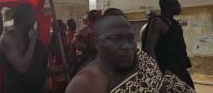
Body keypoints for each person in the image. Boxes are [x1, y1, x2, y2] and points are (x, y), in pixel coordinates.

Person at [66, 15, 195, 93]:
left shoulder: (141, 59)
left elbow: (160, 85)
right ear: (96, 42)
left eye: (130, 38)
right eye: (116, 39)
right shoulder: (83, 85)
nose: (128, 46)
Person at [142, 0, 194, 88]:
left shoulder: (174, 23)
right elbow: (150, 49)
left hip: (179, 69)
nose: (179, 6)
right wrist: (159, 72)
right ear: (166, 6)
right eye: (176, 3)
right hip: (167, 71)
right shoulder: (158, 22)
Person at [0, 4, 48, 93]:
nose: (35, 20)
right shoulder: (8, 38)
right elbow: (23, 67)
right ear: (25, 18)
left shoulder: (28, 36)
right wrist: (33, 40)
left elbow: (39, 65)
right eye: (33, 17)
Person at [71, 10, 101, 76]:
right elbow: (76, 44)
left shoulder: (98, 29)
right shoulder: (85, 31)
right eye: (97, 19)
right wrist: (88, 46)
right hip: (88, 58)